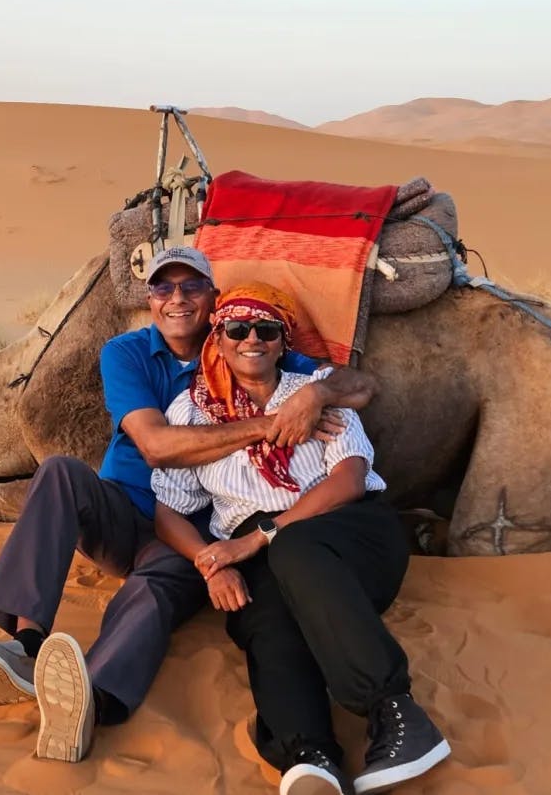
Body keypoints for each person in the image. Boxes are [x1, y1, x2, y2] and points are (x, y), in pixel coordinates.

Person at [0, 247, 377, 763]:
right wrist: (267, 424)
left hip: (198, 528)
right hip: (124, 512)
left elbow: (361, 386)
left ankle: (93, 700)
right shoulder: (128, 353)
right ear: (149, 299)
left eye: (191, 287)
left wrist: (315, 395)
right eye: (163, 288)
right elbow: (155, 446)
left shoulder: (245, 341)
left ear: (213, 302)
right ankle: (27, 642)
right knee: (60, 472)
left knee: (154, 589)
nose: (177, 299)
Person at [152, 283, 449, 795]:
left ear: (281, 341)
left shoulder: (311, 391)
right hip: (256, 548)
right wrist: (212, 561)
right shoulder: (190, 413)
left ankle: (398, 715)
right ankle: (309, 754)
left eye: (267, 330)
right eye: (237, 329)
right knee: (264, 618)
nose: (252, 340)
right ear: (217, 338)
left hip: (349, 532)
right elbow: (167, 509)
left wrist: (259, 539)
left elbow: (349, 479)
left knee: (294, 547)